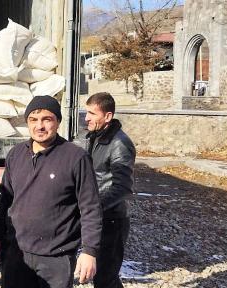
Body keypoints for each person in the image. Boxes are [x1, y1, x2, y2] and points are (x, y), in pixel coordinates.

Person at [0, 95, 103, 288]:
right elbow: (5, 200)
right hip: (17, 253)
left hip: (57, 257)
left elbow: (90, 208)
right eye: (33, 119)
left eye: (46, 119)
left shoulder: (76, 157)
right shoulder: (16, 154)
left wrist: (90, 251)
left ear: (57, 122)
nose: (39, 126)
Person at [85, 92, 136, 288]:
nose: (86, 117)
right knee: (103, 275)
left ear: (107, 117)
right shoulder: (93, 137)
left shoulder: (120, 144)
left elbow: (122, 187)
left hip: (112, 219)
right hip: (97, 217)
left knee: (105, 277)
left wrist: (94, 207)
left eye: (92, 113)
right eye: (86, 112)